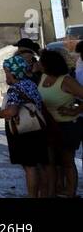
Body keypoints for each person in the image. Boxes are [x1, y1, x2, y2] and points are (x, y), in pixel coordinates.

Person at [0, 54, 53, 197]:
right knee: (40, 165)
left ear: (14, 72)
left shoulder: (15, 89)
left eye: (7, 72)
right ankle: (45, 194)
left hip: (24, 132)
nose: (6, 75)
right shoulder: (31, 84)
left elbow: (12, 111)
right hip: (38, 129)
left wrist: (0, 113)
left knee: (30, 167)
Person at [37, 48, 83, 197]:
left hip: (67, 126)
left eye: (41, 62)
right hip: (49, 126)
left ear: (49, 64)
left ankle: (71, 192)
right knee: (53, 162)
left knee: (67, 162)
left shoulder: (66, 80)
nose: (39, 64)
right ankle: (57, 188)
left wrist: (75, 110)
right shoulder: (43, 77)